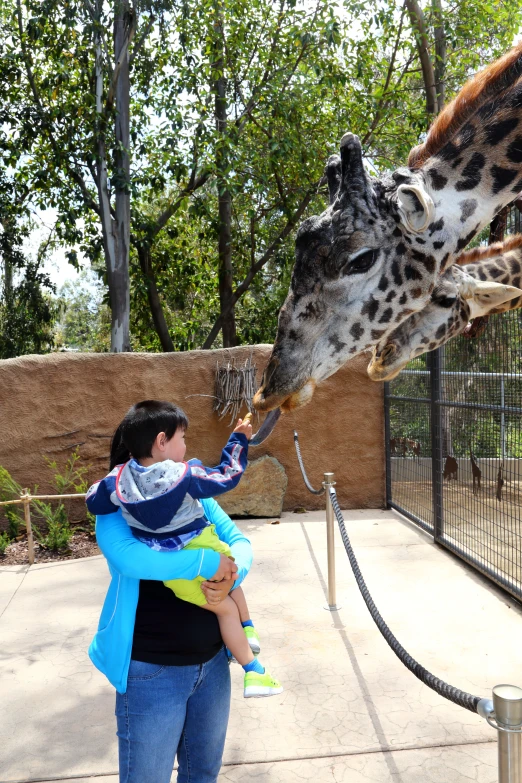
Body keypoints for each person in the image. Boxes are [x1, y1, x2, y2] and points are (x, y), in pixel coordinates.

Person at [87, 400, 282, 699]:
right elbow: (226, 474)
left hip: (180, 591)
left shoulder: (118, 485)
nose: (185, 445)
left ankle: (252, 659)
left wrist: (231, 573)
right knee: (230, 598)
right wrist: (238, 440)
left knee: (225, 601)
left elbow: (94, 500)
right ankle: (251, 646)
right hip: (150, 662)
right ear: (161, 442)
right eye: (182, 438)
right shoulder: (184, 477)